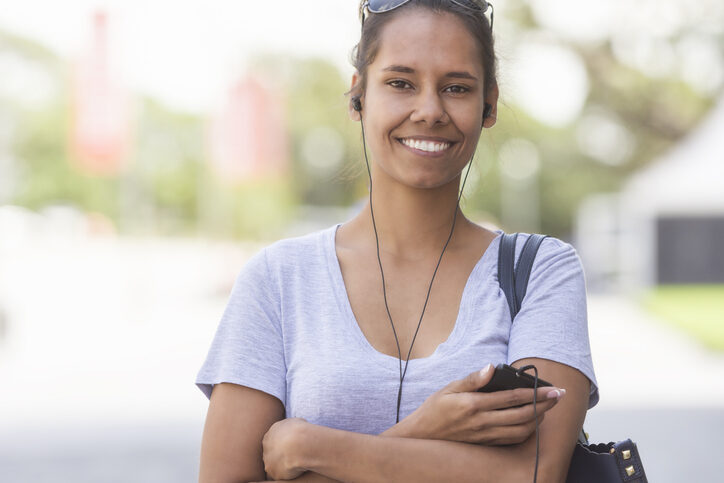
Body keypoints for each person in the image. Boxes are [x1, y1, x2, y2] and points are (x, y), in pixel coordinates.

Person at [196, 1, 598, 482]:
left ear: (488, 104)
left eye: (456, 88)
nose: (429, 110)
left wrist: (310, 446)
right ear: (358, 97)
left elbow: (531, 474)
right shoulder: (279, 279)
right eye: (400, 83)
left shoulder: (540, 272)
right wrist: (428, 427)